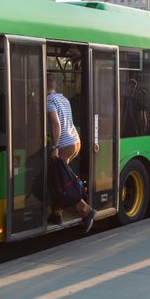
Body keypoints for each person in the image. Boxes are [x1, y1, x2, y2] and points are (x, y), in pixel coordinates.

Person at [46, 75, 96, 233]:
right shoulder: (63, 99)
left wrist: (55, 146)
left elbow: (56, 124)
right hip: (75, 141)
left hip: (64, 144)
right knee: (56, 180)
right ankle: (56, 214)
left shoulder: (49, 101)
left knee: (62, 182)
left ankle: (86, 211)